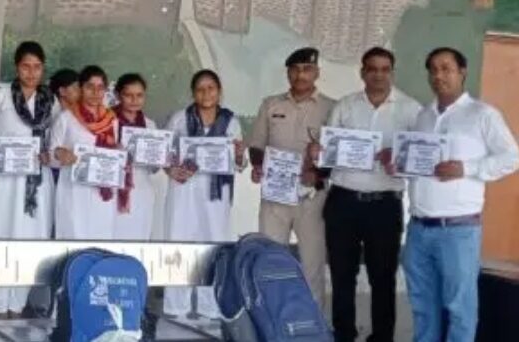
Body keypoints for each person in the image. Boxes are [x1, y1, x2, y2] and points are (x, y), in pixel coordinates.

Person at [401, 47, 519, 342]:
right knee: (422, 306)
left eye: (446, 68)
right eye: (433, 69)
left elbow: (512, 157)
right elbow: (419, 166)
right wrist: (400, 163)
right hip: (418, 228)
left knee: (460, 309)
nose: (438, 75)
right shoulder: (423, 116)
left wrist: (467, 168)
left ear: (462, 72)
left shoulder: (483, 114)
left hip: (458, 231)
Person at [318, 47, 421, 342]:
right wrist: (319, 153)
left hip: (384, 205)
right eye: (372, 69)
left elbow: (419, 159)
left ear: (392, 73)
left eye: (385, 69)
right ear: (362, 72)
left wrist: (399, 158)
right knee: (342, 275)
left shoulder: (411, 110)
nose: (378, 75)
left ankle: (382, 336)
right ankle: (344, 334)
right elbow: (327, 152)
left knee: (383, 277)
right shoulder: (345, 106)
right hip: (343, 201)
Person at [0, 41, 55, 319]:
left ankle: (17, 305)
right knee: (1, 237)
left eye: (37, 67)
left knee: (30, 241)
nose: (31, 72)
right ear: (17, 67)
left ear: (43, 69)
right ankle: (0, 305)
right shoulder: (2, 97)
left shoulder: (50, 101)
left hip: (35, 184)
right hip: (4, 180)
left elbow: (57, 138)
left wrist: (49, 154)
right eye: (26, 66)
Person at [248, 47, 334, 309]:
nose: (300, 75)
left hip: (312, 198)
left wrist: (318, 172)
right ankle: (274, 319)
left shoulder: (332, 108)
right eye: (295, 69)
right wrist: (258, 165)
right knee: (271, 261)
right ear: (288, 73)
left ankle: (313, 322)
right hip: (275, 197)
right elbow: (257, 144)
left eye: (307, 69)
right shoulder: (270, 104)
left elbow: (337, 155)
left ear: (317, 73)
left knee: (312, 264)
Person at [162, 69, 246, 319]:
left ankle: (210, 307)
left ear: (219, 91)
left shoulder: (231, 121)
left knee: (213, 245)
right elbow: (165, 154)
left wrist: (238, 154)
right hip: (183, 192)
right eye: (200, 89)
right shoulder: (180, 119)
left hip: (215, 195)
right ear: (193, 93)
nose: (206, 93)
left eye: (211, 88)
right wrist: (170, 169)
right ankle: (177, 306)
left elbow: (239, 163)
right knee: (180, 243)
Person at [50, 65, 119, 240]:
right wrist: (60, 153)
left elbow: (114, 152)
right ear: (81, 88)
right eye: (90, 87)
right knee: (73, 236)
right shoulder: (66, 118)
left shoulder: (112, 120)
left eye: (100, 87)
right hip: (73, 191)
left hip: (102, 191)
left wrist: (120, 153)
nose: (95, 92)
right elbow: (51, 154)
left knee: (100, 237)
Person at [112, 73, 159, 241]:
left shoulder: (150, 125)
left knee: (138, 238)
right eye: (128, 95)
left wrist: (160, 158)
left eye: (139, 95)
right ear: (118, 95)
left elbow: (154, 169)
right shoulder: (107, 121)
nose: (134, 100)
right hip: (113, 190)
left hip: (141, 190)